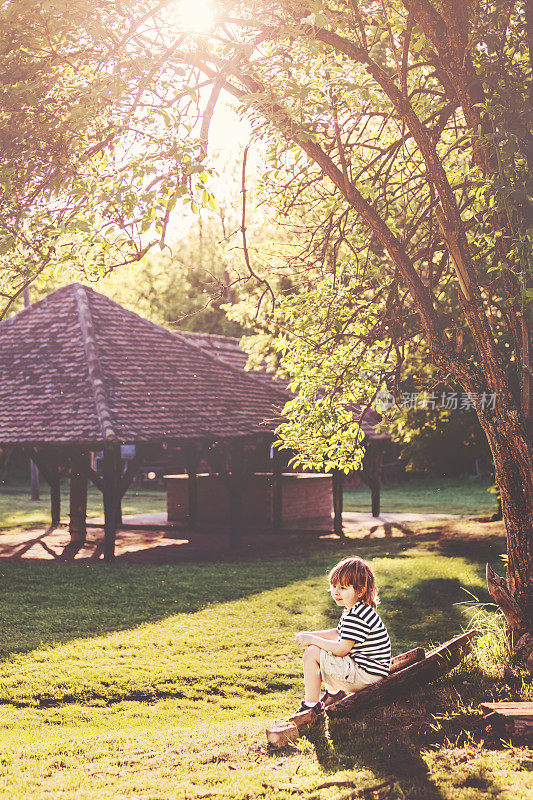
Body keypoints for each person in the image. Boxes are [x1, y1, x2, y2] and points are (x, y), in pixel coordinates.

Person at [294, 556, 391, 715]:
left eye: (343, 588)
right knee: (324, 652)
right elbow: (339, 633)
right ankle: (334, 695)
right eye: (333, 586)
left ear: (360, 591)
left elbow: (341, 649)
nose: (336, 592)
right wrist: (311, 634)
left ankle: (311, 707)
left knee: (312, 653)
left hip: (365, 675)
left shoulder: (356, 615)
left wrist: (312, 640)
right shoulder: (355, 610)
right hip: (368, 671)